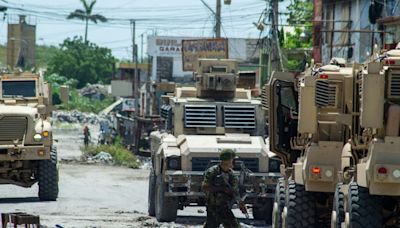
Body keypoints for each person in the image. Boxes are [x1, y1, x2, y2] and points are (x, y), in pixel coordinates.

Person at [202, 149, 247, 228]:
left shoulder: (231, 174)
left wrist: (241, 204)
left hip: (224, 206)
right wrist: (221, 189)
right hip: (213, 207)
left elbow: (235, 191)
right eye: (233, 160)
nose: (234, 162)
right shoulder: (212, 171)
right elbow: (205, 187)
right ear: (228, 161)